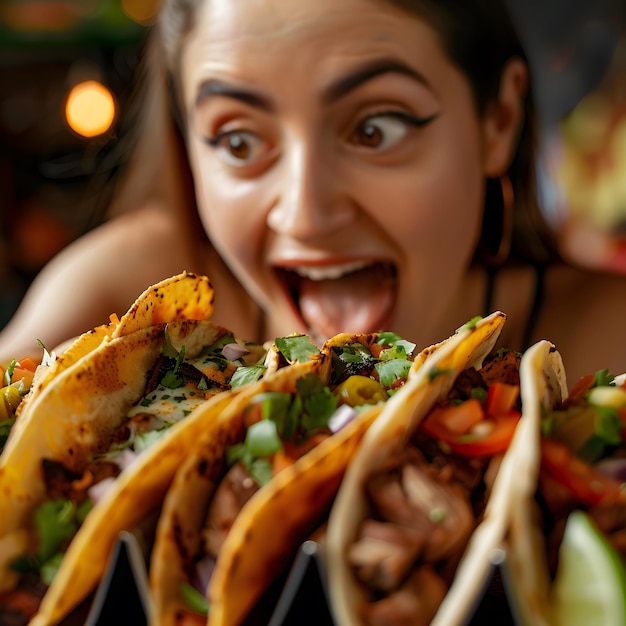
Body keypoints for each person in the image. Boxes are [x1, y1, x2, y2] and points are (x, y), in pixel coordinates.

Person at [0, 0, 625, 383]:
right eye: (239, 142)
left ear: (499, 119)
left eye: (376, 129)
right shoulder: (130, 308)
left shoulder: (606, 347)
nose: (305, 214)